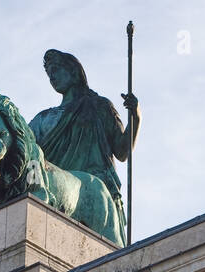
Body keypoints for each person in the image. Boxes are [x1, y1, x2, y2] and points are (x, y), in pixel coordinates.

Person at [30, 49, 139, 236]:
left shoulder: (99, 106)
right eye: (48, 74)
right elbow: (28, 153)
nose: (52, 77)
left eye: (55, 69)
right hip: (58, 193)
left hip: (98, 193)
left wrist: (135, 116)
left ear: (73, 71)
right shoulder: (43, 118)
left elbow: (122, 151)